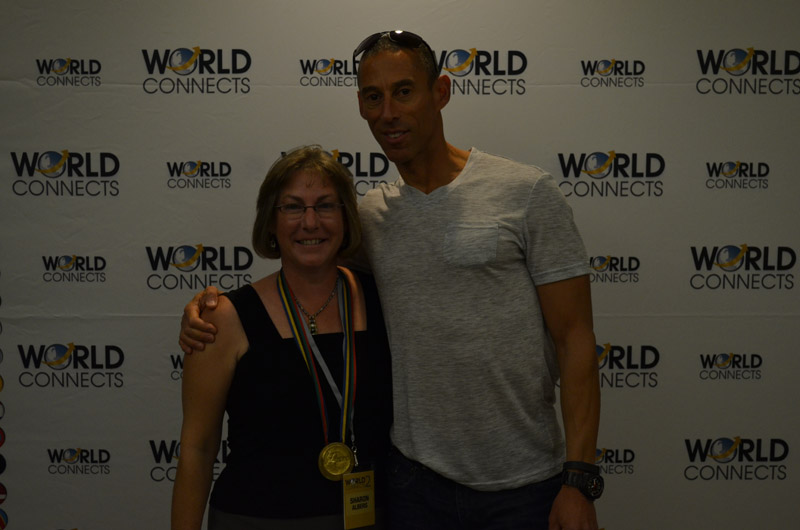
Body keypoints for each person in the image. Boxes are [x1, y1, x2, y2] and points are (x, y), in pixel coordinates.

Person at [180, 31, 601, 530]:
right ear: (360, 105)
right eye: (373, 97)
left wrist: (579, 479)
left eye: (404, 91)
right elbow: (305, 266)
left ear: (440, 92)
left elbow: (575, 339)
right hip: (412, 487)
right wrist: (209, 308)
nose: (388, 112)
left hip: (525, 486)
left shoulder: (526, 193)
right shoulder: (370, 218)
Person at [171, 145, 392, 530]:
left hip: (368, 518)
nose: (310, 222)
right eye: (292, 207)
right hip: (254, 519)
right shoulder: (223, 318)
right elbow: (198, 448)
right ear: (270, 222)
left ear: (346, 218)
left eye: (326, 205)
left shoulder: (385, 302)